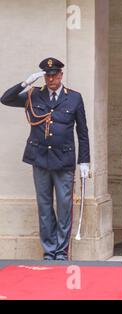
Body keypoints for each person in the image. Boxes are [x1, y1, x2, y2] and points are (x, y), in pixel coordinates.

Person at [1, 58, 90, 261]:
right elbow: (5, 99)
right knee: (44, 206)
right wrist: (25, 83)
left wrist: (84, 161)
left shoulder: (74, 98)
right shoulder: (34, 95)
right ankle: (49, 251)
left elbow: (82, 132)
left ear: (61, 75)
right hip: (40, 158)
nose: (51, 79)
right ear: (44, 77)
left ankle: (61, 251)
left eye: (54, 75)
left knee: (64, 206)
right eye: (47, 76)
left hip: (64, 160)